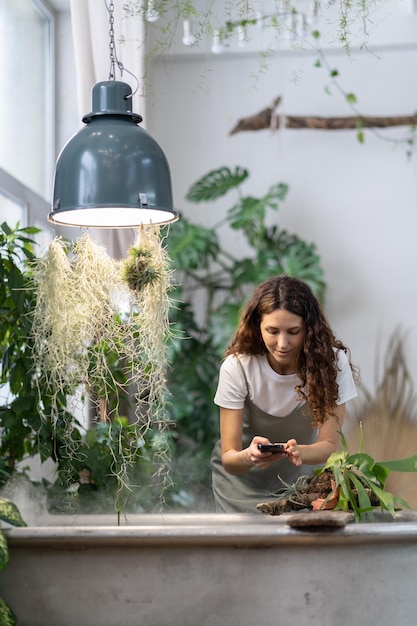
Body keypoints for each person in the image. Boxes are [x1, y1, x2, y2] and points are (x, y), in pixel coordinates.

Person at [211, 274, 358, 513]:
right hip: (238, 486)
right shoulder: (238, 366)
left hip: (299, 485)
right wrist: (249, 456)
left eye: (293, 331)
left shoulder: (331, 363)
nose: (282, 343)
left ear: (309, 329)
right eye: (272, 331)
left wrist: (301, 451)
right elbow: (229, 458)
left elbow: (331, 444)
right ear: (257, 326)